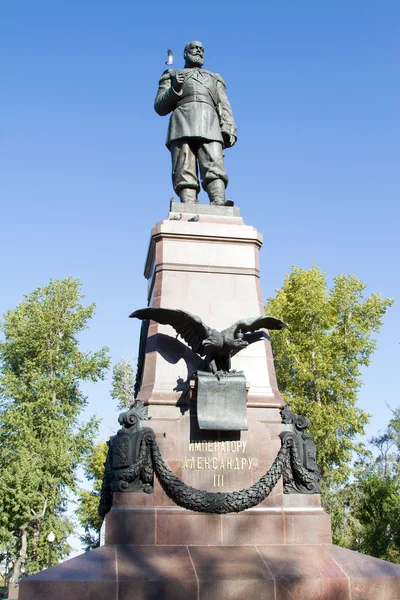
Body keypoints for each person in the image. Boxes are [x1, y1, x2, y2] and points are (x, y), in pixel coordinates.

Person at [154, 41, 237, 205]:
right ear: (185, 53)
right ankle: (188, 203)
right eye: (194, 48)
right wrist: (174, 89)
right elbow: (160, 106)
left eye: (202, 49)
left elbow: (224, 104)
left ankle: (219, 201)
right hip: (182, 122)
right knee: (184, 165)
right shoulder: (172, 75)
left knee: (214, 163)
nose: (199, 51)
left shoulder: (214, 78)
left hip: (211, 123)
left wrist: (229, 127)